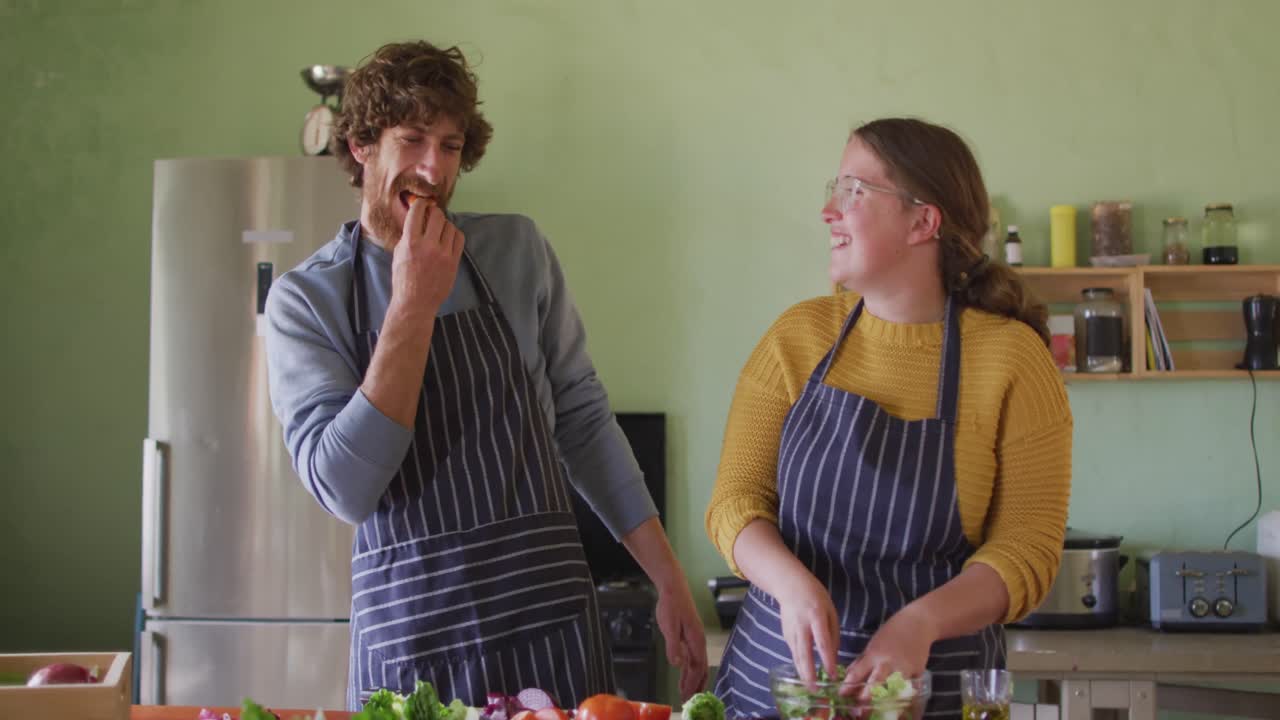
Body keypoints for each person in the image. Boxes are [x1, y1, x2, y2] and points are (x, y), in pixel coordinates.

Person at [265, 40, 706, 711]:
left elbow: (583, 421)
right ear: (360, 146)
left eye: (450, 145)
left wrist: (668, 577)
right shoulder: (305, 301)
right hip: (413, 641)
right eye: (412, 140)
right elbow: (345, 487)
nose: (433, 168)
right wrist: (412, 302)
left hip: (550, 625)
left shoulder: (515, 251)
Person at [704, 118, 1072, 717]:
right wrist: (792, 586)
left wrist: (920, 623)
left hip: (936, 692)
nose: (828, 211)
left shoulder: (1011, 359)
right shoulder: (797, 338)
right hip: (779, 688)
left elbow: (1028, 549)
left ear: (923, 221)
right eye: (835, 188)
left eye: (853, 191)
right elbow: (734, 503)